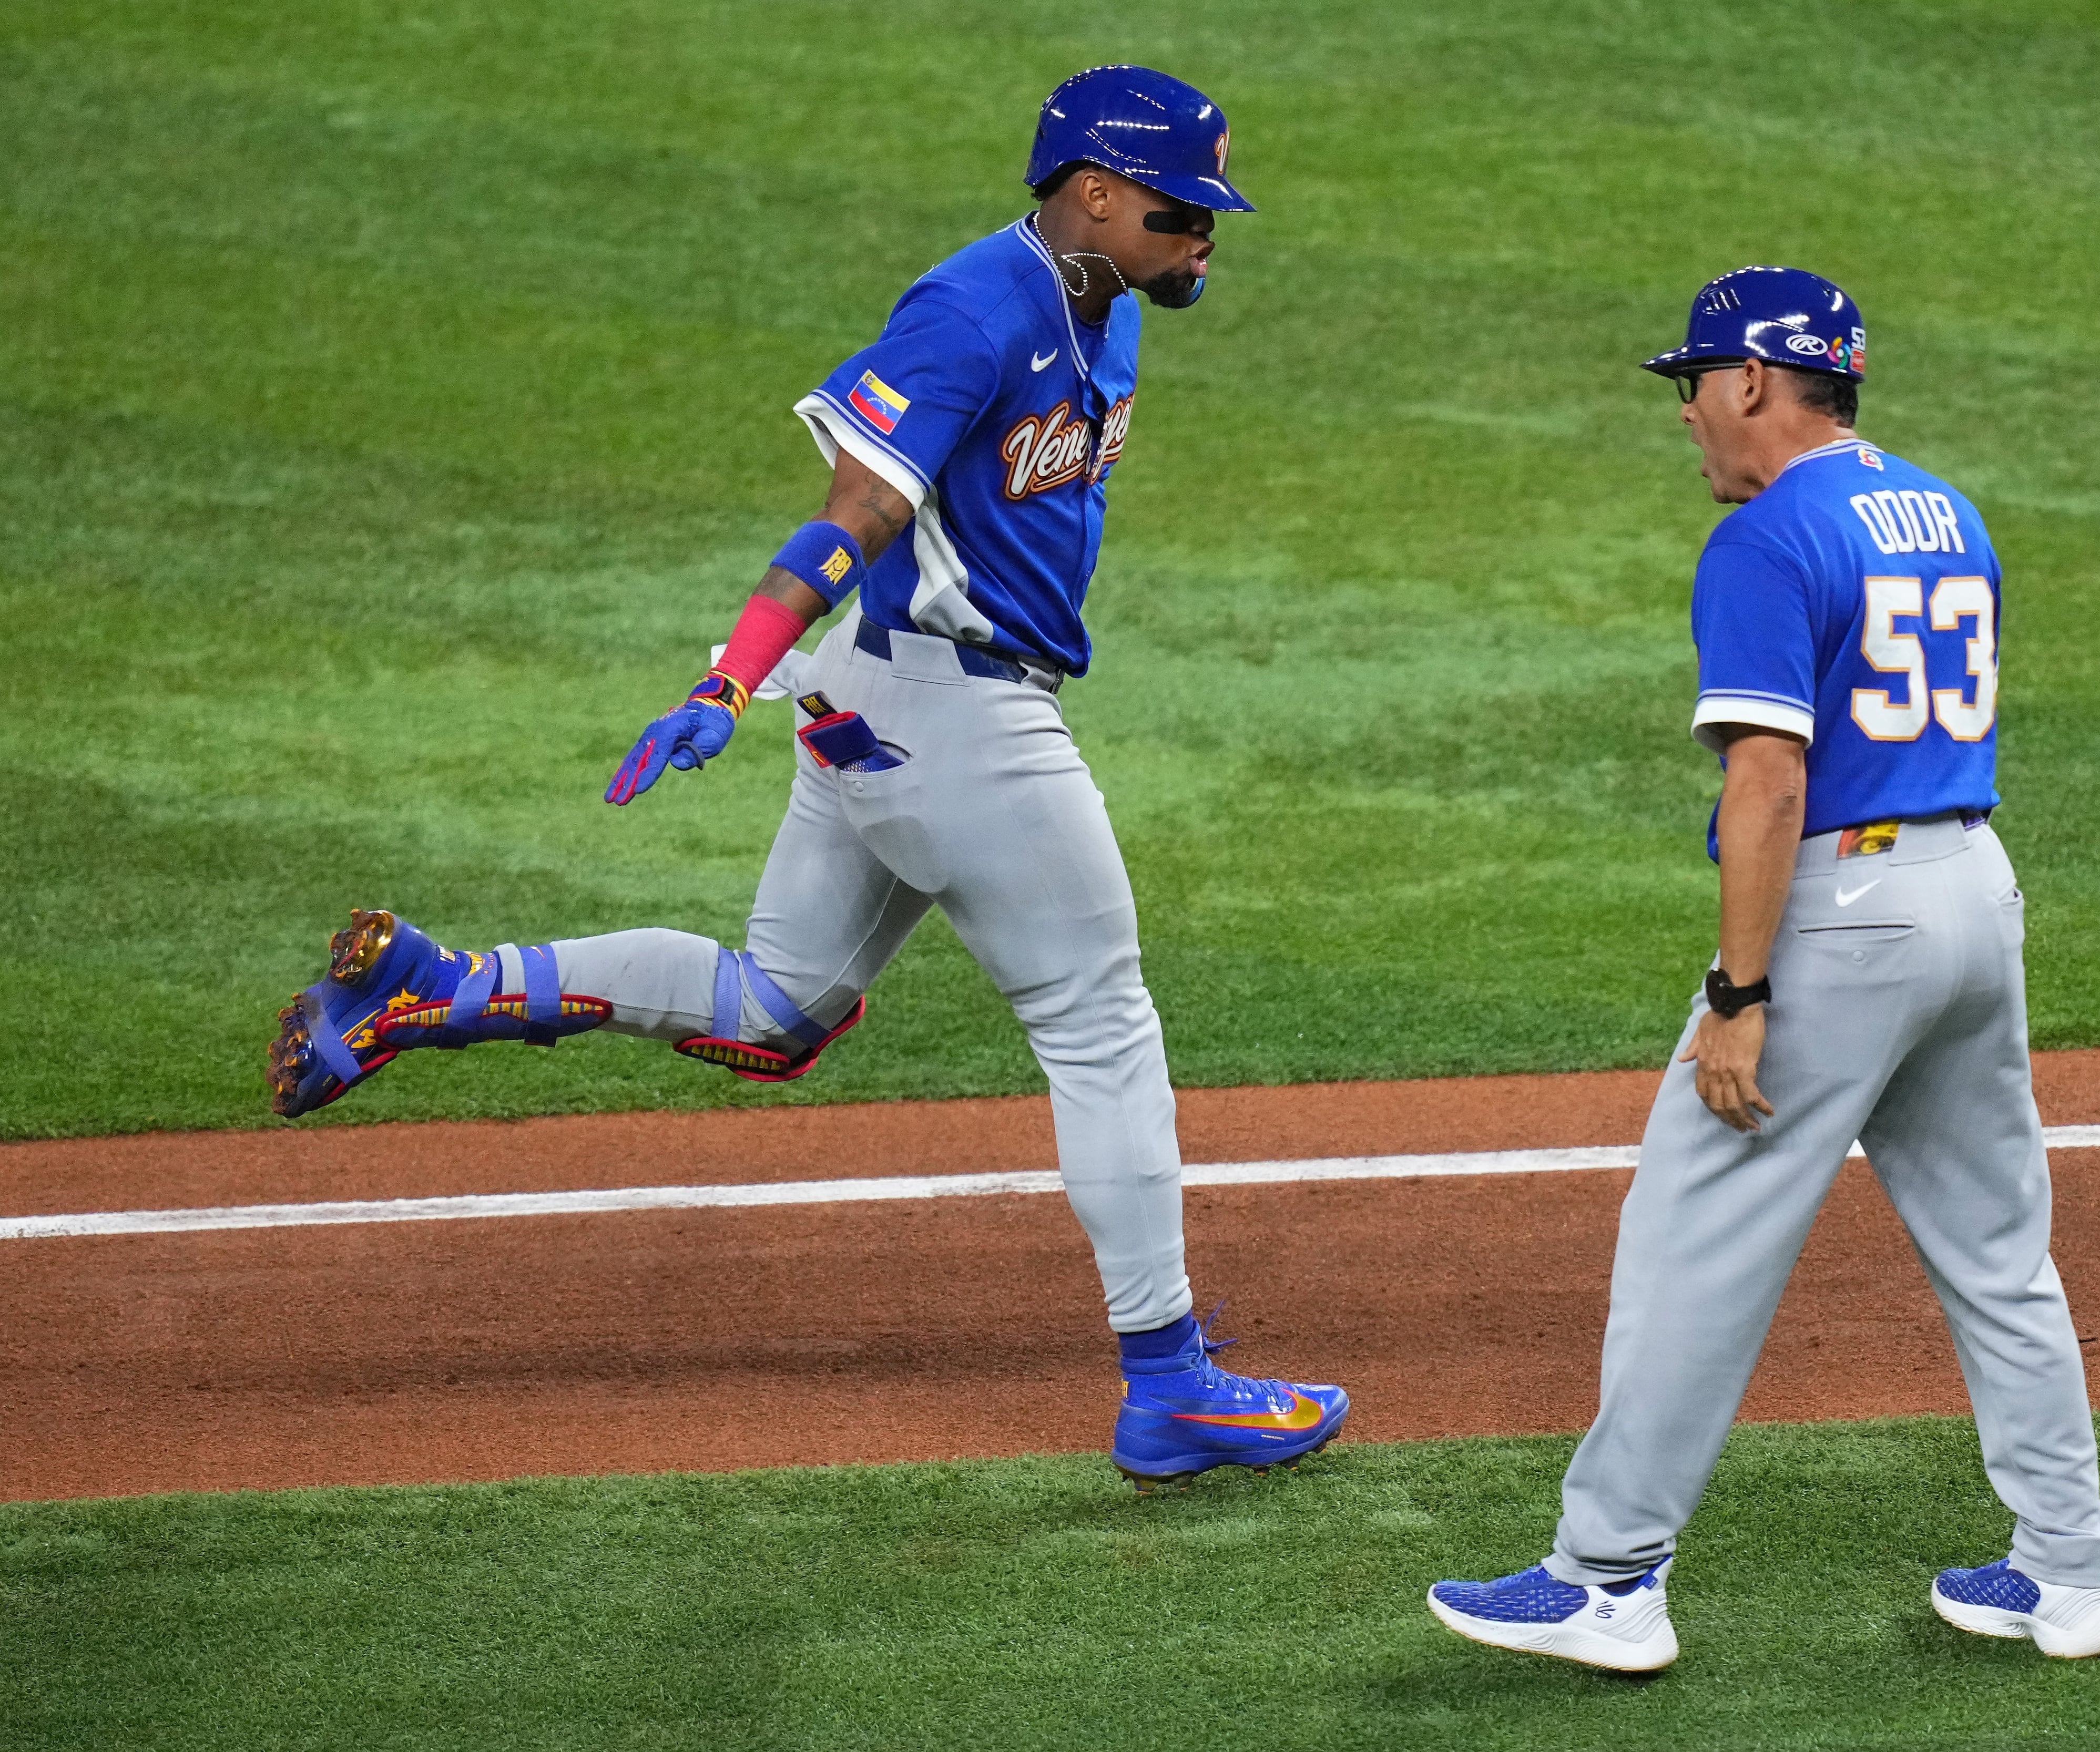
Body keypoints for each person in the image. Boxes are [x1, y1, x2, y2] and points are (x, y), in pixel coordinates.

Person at [263, 65, 1349, 1492]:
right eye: (1177, 210)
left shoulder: (1114, 312)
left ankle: (434, 989)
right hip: (948, 720)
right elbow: (856, 509)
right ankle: (1174, 1387)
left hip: (876, 706)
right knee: (1101, 1023)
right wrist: (727, 673)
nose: (1203, 234)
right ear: (1090, 194)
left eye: (1209, 212)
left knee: (774, 1015)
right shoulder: (973, 310)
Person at [1426, 268, 2100, 1669]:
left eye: (1694, 383)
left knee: (1691, 1250)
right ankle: (2071, 1573)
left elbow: (1767, 785)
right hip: (1975, 893)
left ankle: (1608, 1581)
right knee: (2000, 1258)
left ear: (1753, 381)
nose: (1686, 413)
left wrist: (1743, 997)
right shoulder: (1947, 507)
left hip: (1845, 916)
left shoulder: (1764, 540)